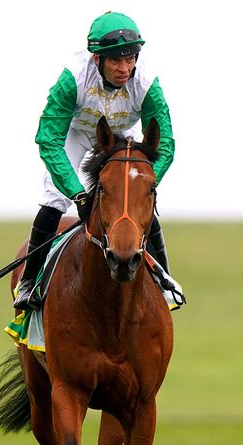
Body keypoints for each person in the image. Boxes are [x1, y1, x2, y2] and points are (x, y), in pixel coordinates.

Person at [13, 11, 176, 311]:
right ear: (97, 58)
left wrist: (144, 183)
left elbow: (165, 143)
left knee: (135, 195)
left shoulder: (146, 84)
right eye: (115, 60)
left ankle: (165, 279)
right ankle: (28, 281)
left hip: (121, 136)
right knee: (55, 197)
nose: (124, 68)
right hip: (77, 132)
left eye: (130, 59)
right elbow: (49, 140)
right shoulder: (72, 79)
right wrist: (77, 193)